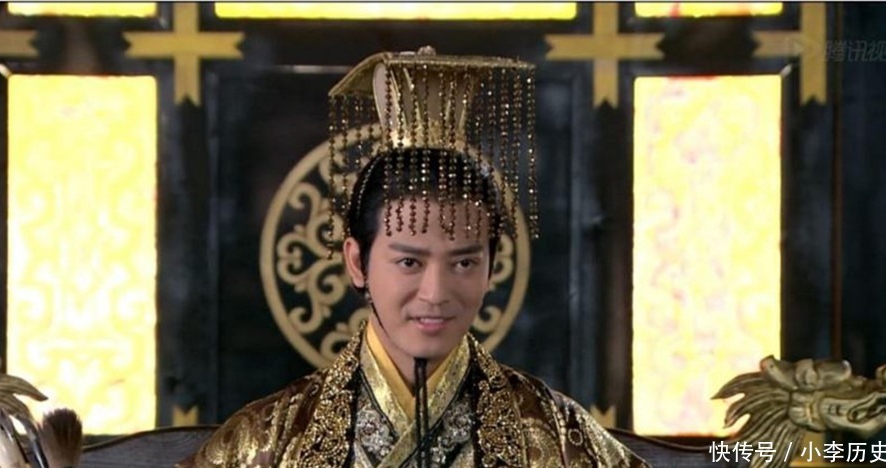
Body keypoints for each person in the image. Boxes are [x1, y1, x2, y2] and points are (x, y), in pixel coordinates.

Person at [180, 47, 648, 468]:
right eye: (409, 262)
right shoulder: (270, 441)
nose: (436, 293)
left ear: (492, 266)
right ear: (357, 262)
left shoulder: (555, 435)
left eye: (464, 263)